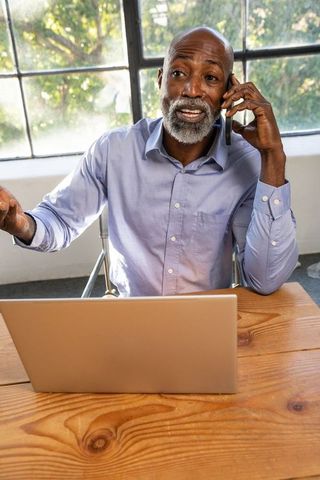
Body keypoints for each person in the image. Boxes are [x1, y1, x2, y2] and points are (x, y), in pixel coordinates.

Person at [0, 27, 298, 297]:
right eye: (179, 73)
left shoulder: (245, 163)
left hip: (206, 320)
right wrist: (19, 223)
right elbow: (60, 222)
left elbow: (264, 280)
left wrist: (273, 156)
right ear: (160, 79)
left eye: (210, 78)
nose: (192, 90)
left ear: (227, 92)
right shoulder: (114, 150)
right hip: (130, 317)